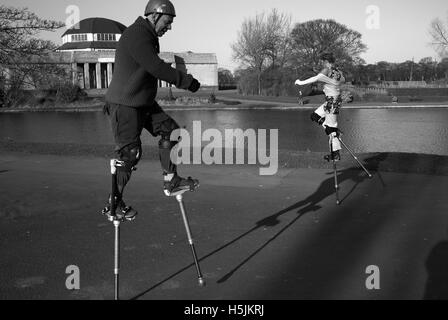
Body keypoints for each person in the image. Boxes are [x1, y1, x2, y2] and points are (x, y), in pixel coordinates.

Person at [102, 0, 201, 221]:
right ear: (155, 15)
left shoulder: (148, 35)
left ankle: (171, 180)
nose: (170, 26)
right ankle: (114, 204)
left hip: (143, 103)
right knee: (130, 154)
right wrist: (186, 81)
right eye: (168, 21)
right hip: (125, 105)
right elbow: (155, 67)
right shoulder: (137, 34)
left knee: (172, 131)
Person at [295, 52, 345, 162]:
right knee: (314, 116)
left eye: (322, 61)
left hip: (332, 103)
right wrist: (328, 87)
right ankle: (334, 131)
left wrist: (300, 82)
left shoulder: (327, 70)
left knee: (331, 130)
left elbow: (315, 78)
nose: (322, 63)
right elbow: (341, 81)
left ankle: (335, 154)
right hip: (332, 101)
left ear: (326, 61)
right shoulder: (338, 72)